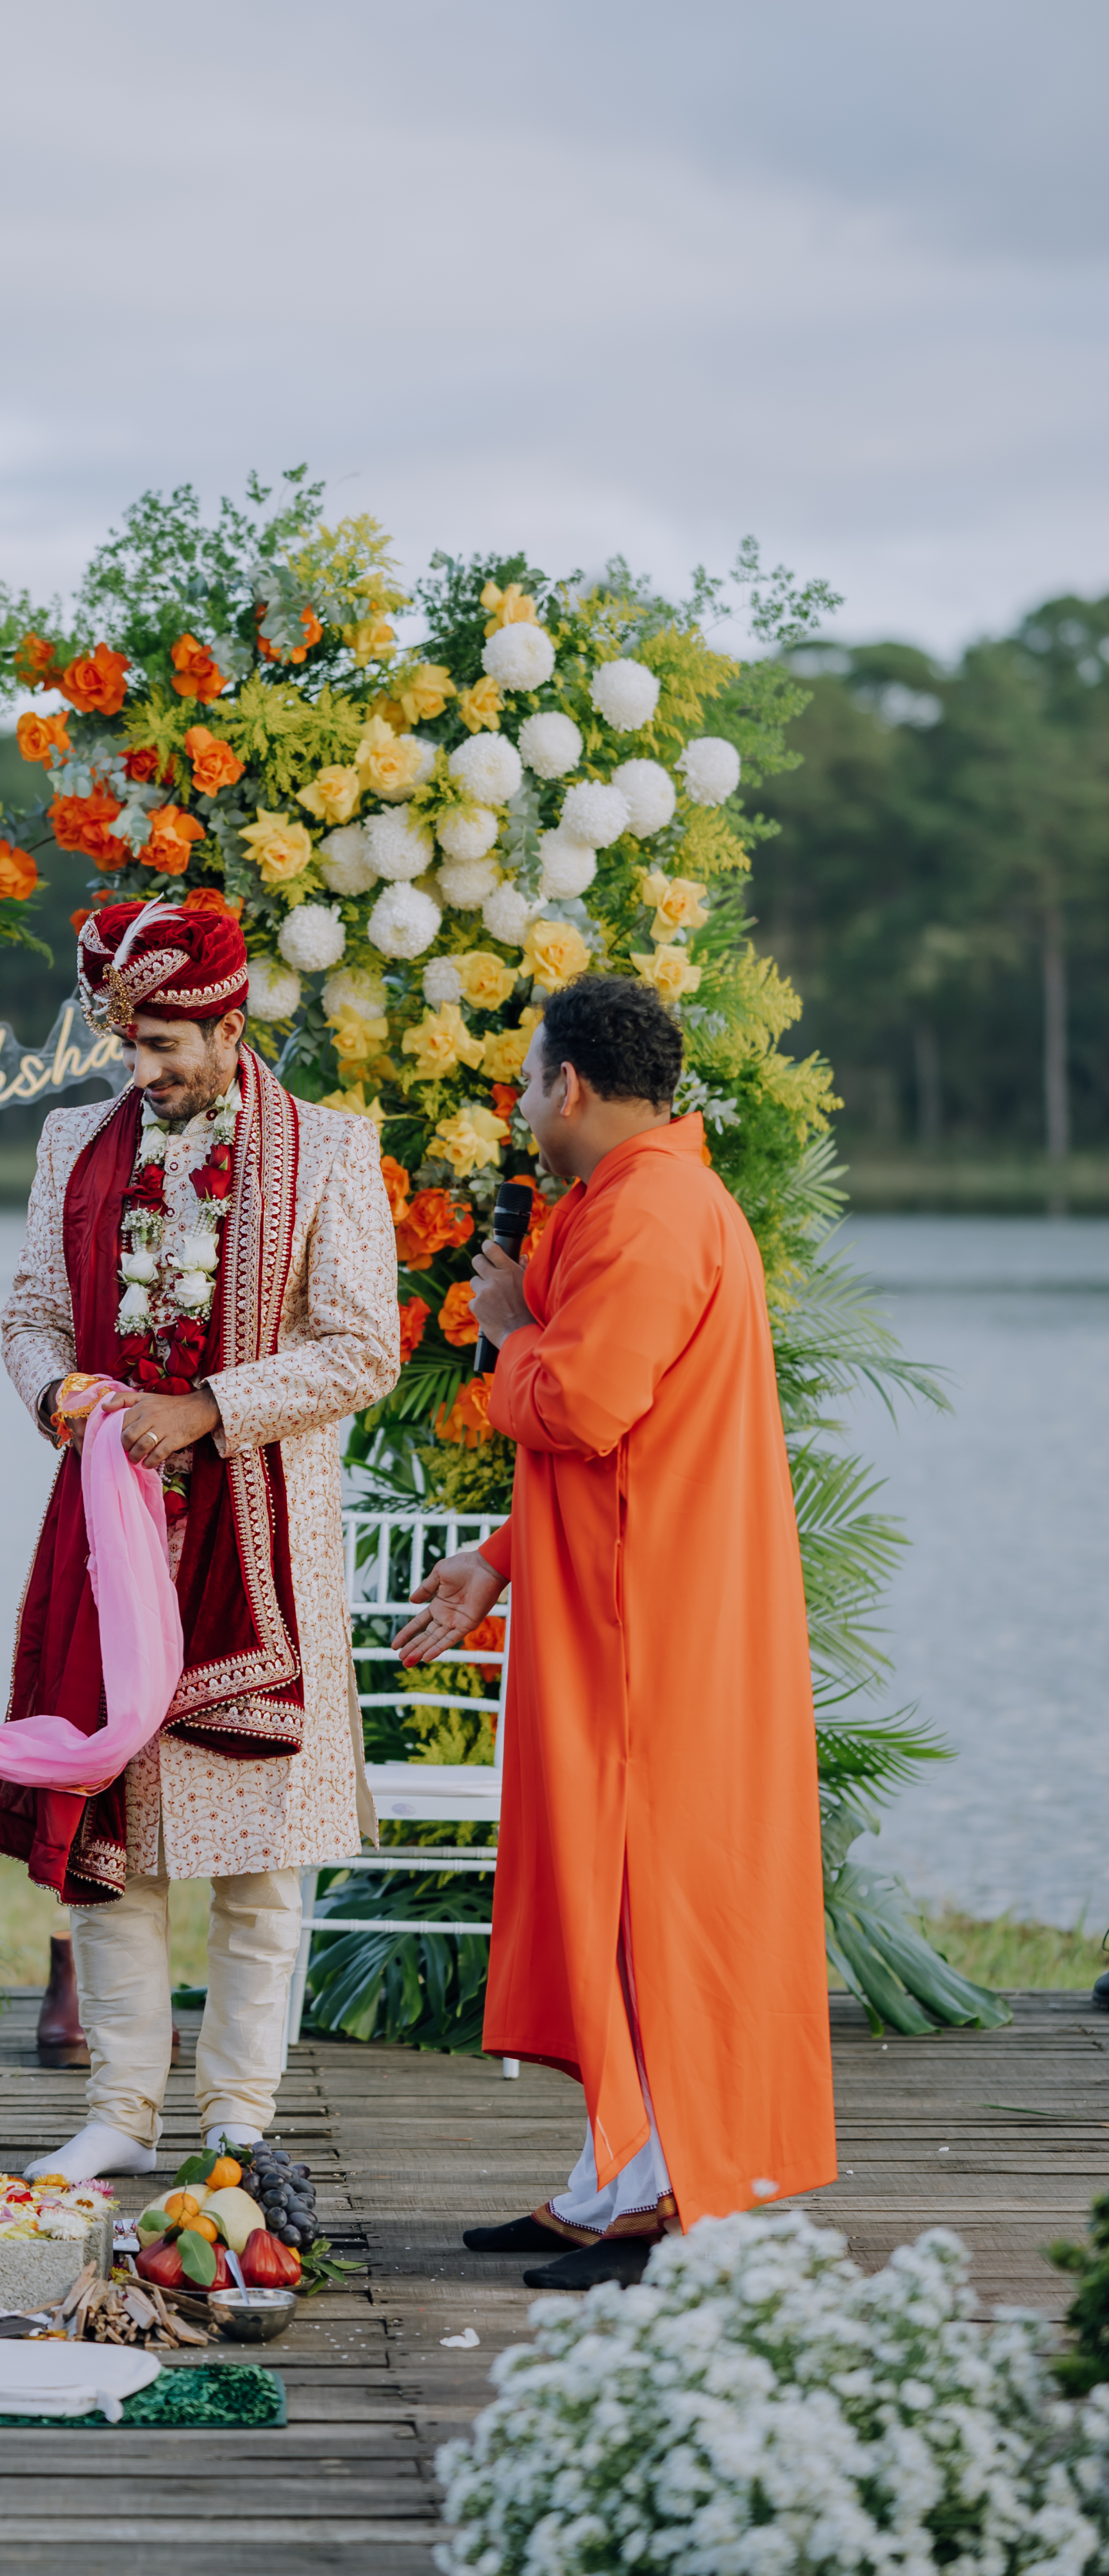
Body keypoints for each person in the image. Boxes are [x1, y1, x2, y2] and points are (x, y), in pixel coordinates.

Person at [399, 973, 835, 2290]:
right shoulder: (633, 1199)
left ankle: (665, 2191)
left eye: (529, 1082)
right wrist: (491, 1559)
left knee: (644, 1890)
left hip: (655, 1633)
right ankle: (611, 2179)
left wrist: (508, 1328)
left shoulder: (653, 1210)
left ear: (570, 1089)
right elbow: (613, 1457)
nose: (525, 1106)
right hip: (617, 1600)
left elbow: (581, 1407)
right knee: (605, 1891)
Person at [0, 896, 400, 2181]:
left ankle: (237, 2118)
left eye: (166, 1043)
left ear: (230, 1024)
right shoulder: (75, 1144)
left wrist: (208, 1409)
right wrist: (64, 1395)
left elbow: (364, 1348)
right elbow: (31, 1318)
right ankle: (120, 2110)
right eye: (129, 1043)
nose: (144, 1071)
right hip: (114, 1540)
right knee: (114, 1850)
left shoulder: (331, 1151)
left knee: (259, 1863)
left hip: (262, 1544)